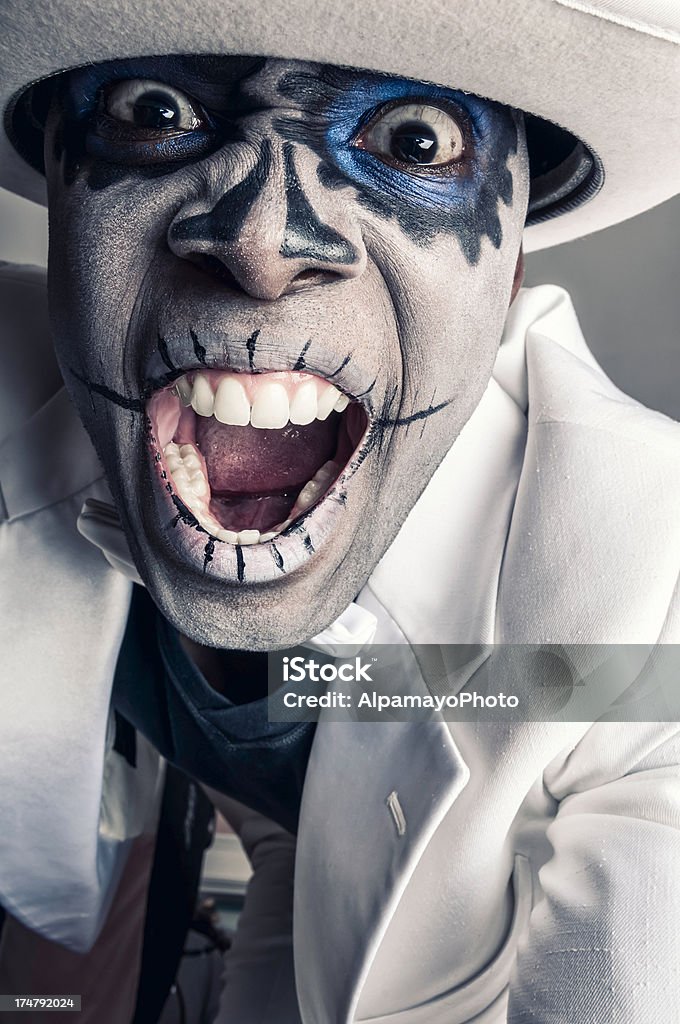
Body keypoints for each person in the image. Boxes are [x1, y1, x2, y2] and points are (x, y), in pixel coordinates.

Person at [0, 1, 679, 1021]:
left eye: (413, 140)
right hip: (275, 829)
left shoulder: (648, 579)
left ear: (508, 282)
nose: (261, 242)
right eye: (153, 110)